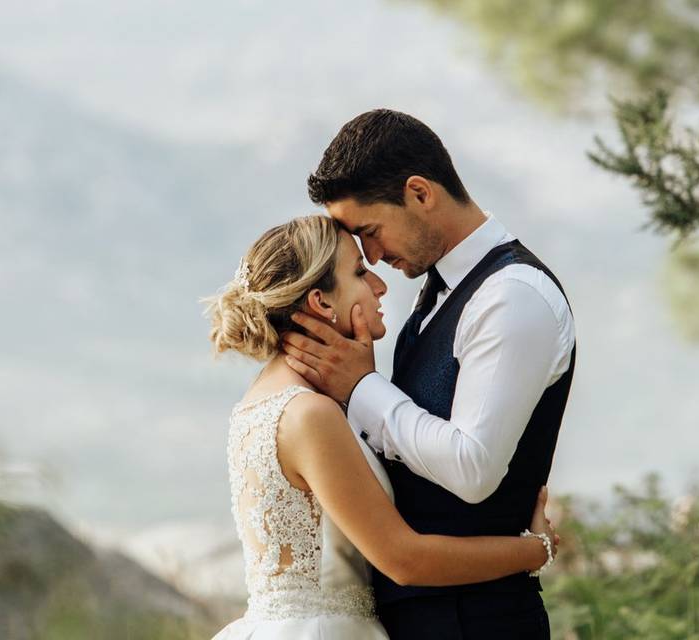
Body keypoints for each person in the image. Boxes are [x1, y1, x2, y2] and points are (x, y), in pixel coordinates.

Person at [282, 110, 577, 639]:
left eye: (369, 232)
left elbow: (472, 468)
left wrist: (360, 388)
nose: (369, 257)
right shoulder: (438, 293)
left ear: (420, 193)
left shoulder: (511, 296)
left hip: (480, 622)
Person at [204, 215, 559, 640]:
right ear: (321, 303)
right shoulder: (310, 414)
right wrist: (536, 549)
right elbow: (405, 560)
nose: (380, 286)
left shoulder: (261, 402)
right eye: (358, 272)